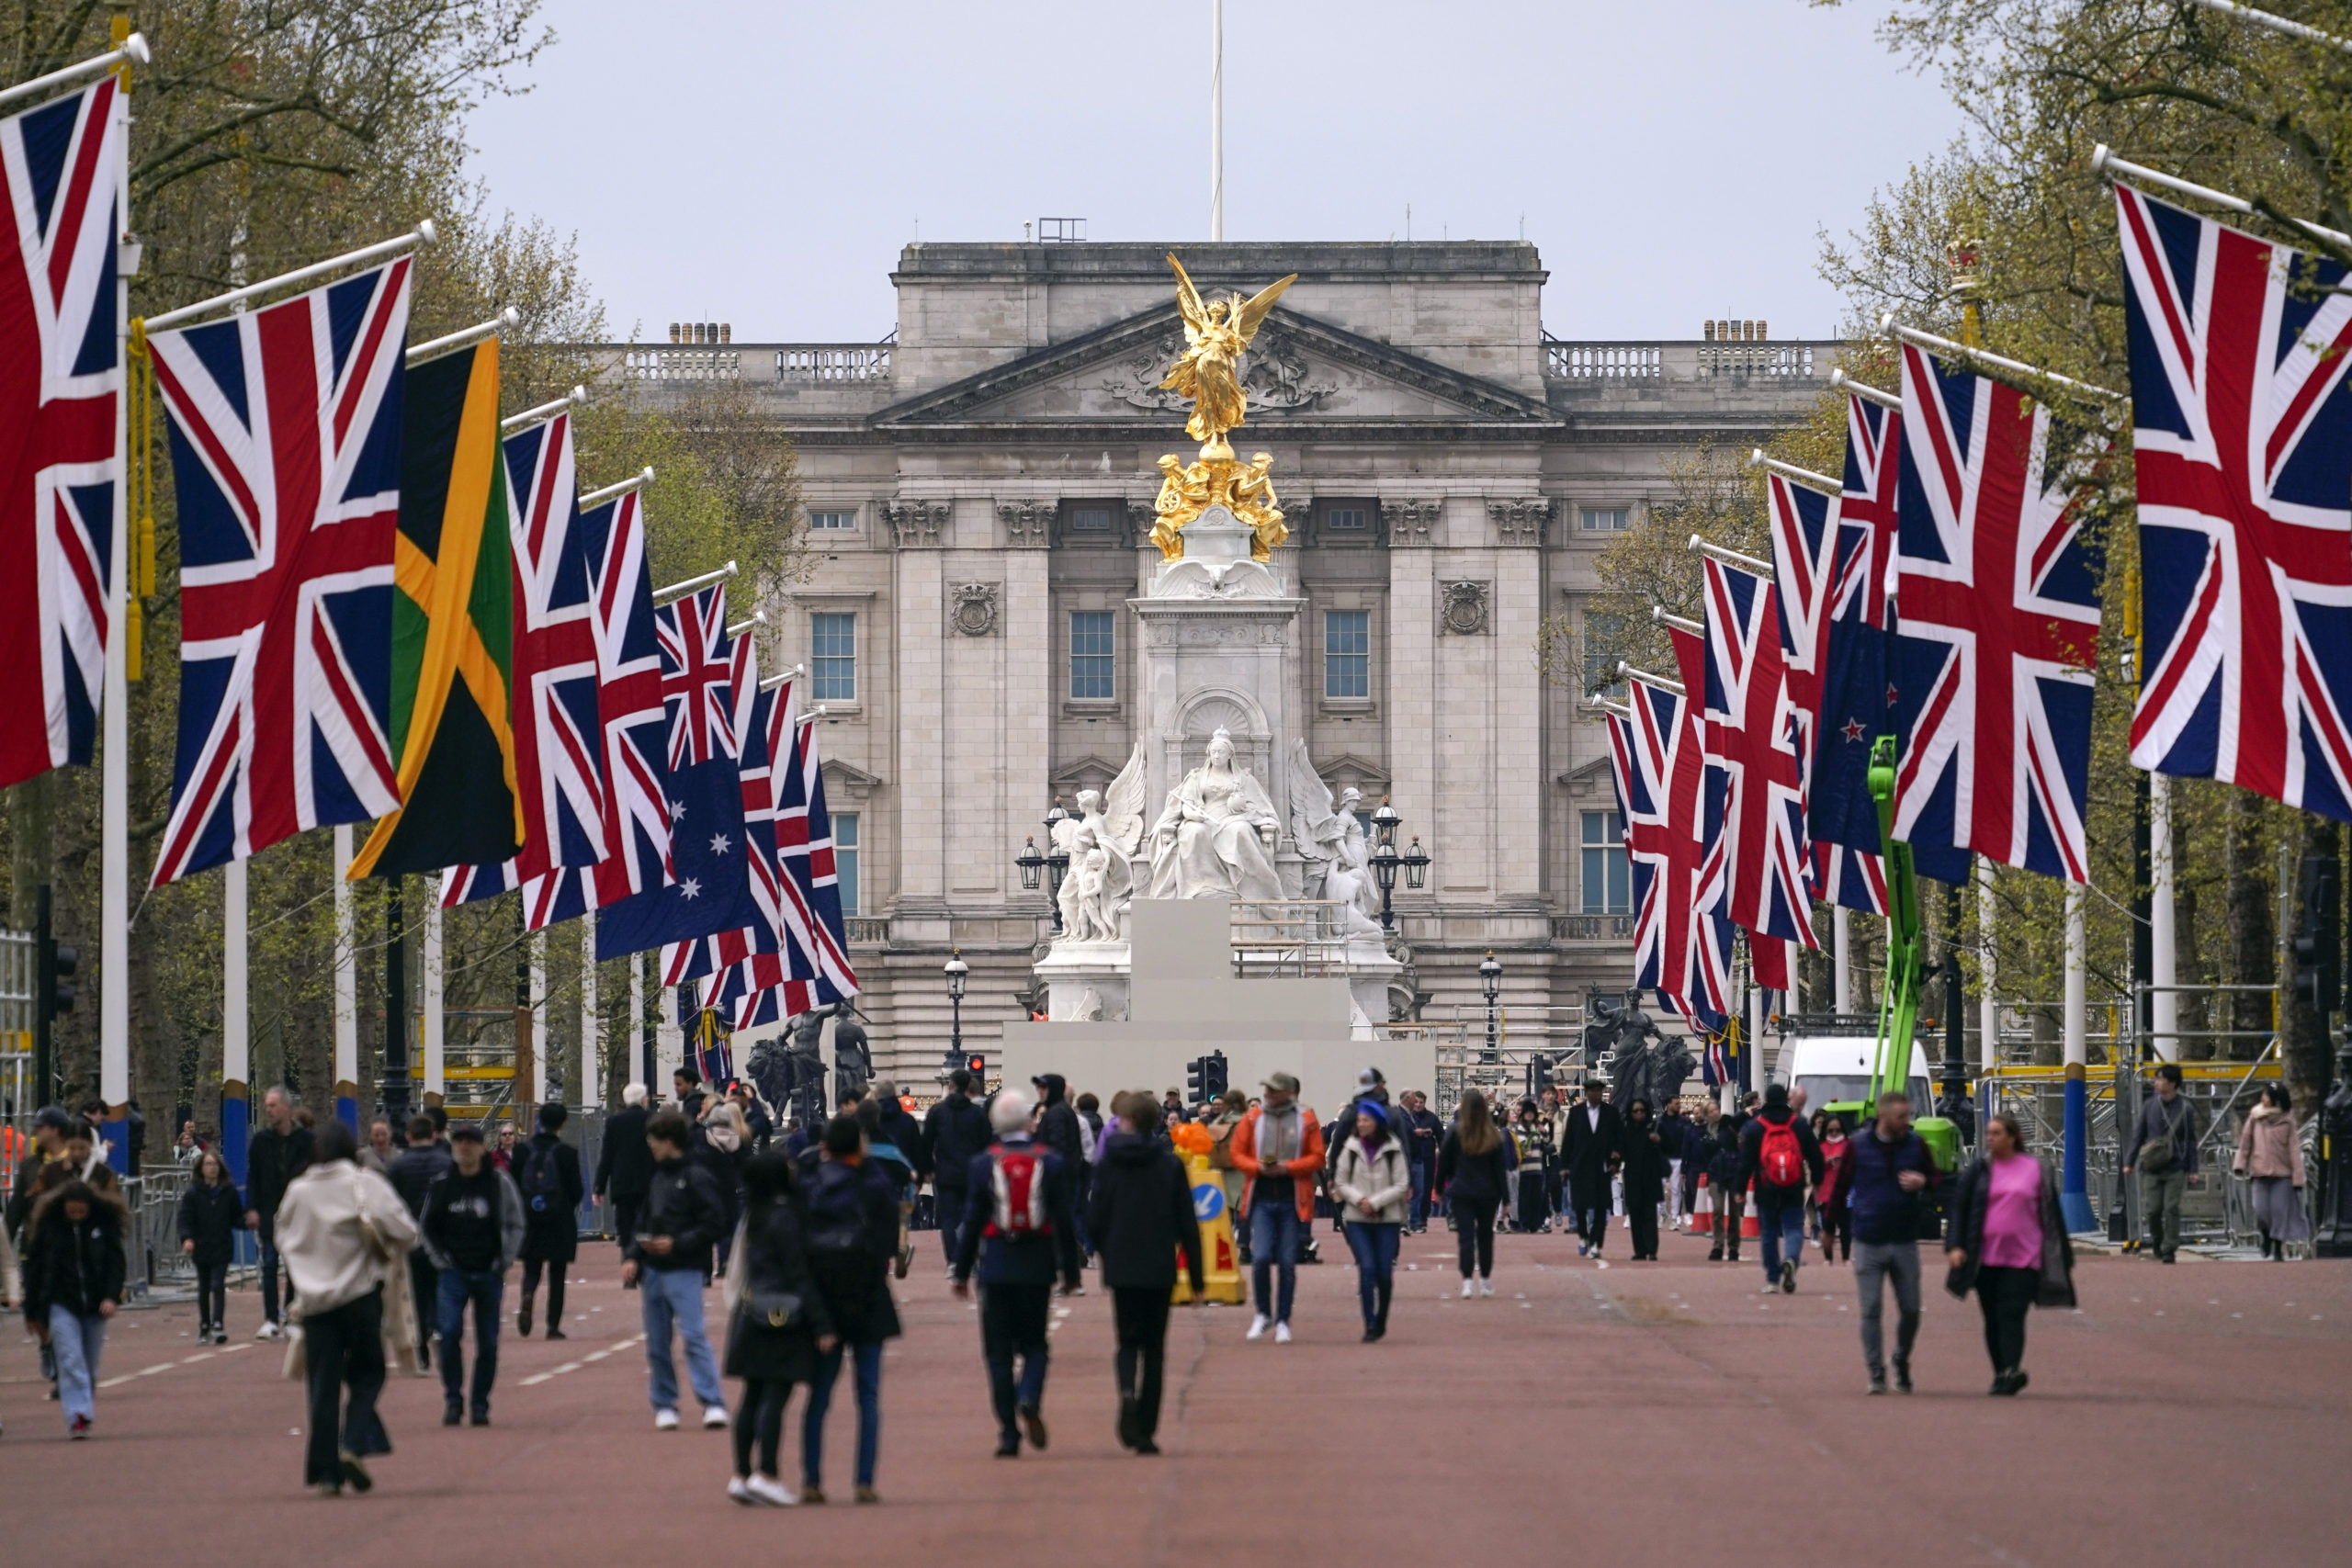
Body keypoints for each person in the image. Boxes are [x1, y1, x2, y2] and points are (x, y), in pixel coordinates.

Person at [275, 1120, 420, 1495]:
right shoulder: (365, 1183)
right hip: (359, 1295)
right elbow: (407, 1232)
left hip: (315, 1301)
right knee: (369, 1373)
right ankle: (353, 1442)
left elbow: (281, 1236)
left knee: (322, 1385)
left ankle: (325, 1472)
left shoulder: (299, 1190)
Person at [951, 1087, 1079, 1456]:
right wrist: (1070, 1271)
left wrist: (960, 1271)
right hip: (1037, 1265)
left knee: (998, 1354)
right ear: (1028, 1120)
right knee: (1036, 1345)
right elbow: (1063, 1221)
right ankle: (1030, 1396)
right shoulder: (1049, 1161)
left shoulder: (982, 1164)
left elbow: (972, 1220)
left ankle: (1008, 1432)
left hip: (995, 1266)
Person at [1087, 1095, 1204, 1450]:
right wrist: (1197, 1279)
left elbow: (1095, 1218)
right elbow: (1187, 1224)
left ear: (1128, 1120)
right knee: (1155, 1349)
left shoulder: (1108, 1164)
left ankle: (1125, 1390)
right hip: (1158, 1265)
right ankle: (1146, 1430)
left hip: (1122, 1264)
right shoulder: (1169, 1165)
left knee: (1127, 1341)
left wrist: (1104, 1251)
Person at [721, 1147, 836, 1507]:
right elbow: (798, 1272)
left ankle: (741, 1473)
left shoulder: (753, 1214)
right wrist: (821, 1322)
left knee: (751, 1396)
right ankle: (767, 1473)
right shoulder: (785, 1217)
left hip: (752, 1308)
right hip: (784, 1314)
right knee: (775, 1396)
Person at [799, 1113, 902, 1503]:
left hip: (824, 1301)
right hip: (868, 1299)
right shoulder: (873, 1185)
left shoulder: (810, 1186)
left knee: (819, 1395)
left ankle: (811, 1478)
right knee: (869, 1395)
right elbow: (887, 1246)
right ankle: (863, 1480)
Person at [1943, 1111, 2075, 1396]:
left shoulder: (2035, 1169)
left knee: (2012, 1312)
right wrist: (1955, 1246)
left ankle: (2013, 1368)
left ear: (2014, 1137)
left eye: (1997, 1133)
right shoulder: (1978, 1170)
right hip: (1985, 1256)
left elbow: (2050, 1214)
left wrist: (2062, 1253)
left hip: (2024, 1256)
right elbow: (1959, 1210)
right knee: (1992, 1316)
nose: (1990, 1139)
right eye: (1988, 1134)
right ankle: (2000, 1372)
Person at [627, 1109, 732, 1431]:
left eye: (653, 1140)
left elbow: (715, 1223)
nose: (650, 1146)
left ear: (669, 1141)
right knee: (657, 1342)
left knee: (693, 1335)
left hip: (683, 1267)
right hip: (654, 1270)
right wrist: (633, 1255)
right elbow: (643, 1220)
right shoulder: (657, 1176)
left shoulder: (697, 1177)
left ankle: (712, 1401)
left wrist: (677, 1243)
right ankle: (665, 1403)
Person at [418, 1123, 524, 1426]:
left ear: (481, 1147)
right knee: (449, 1332)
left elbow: (516, 1222)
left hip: (489, 1271)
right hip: (453, 1273)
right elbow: (426, 1227)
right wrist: (440, 1260)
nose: (464, 1148)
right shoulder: (442, 1184)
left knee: (488, 1341)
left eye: (470, 1142)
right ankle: (453, 1398)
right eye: (459, 1142)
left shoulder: (498, 1183)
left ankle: (479, 1402)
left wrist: (504, 1259)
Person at [1848, 1091, 1940, 1394]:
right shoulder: (1858, 1146)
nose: (1907, 1121)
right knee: (1871, 1308)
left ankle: (1901, 1356)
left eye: (1908, 1116)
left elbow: (1937, 1179)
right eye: (1901, 1116)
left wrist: (1923, 1182)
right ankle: (1876, 1371)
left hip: (1903, 1238)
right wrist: (1832, 1230)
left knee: (1911, 1308)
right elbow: (1840, 1186)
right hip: (1868, 1238)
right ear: (1884, 1116)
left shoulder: (1915, 1145)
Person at [21, 1179, 125, 1438]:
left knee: (88, 1365)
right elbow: (34, 1269)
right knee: (70, 1359)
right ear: (63, 1208)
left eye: (81, 1211)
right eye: (72, 1212)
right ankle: (78, 1415)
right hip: (61, 1302)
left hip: (95, 1304)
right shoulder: (50, 1228)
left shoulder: (104, 1226)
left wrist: (111, 1297)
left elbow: (115, 1264)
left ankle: (83, 1403)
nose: (77, 1216)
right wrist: (32, 1311)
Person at [1228, 1071, 1326, 1343]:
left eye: (1273, 1090)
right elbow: (1237, 1153)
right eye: (1267, 1090)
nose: (1268, 1095)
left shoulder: (1306, 1119)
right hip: (1260, 1199)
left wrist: (1288, 1168)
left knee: (1286, 1262)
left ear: (1288, 1093)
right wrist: (1257, 1168)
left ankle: (1283, 1319)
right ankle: (1263, 1313)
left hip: (1292, 1201)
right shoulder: (1252, 1118)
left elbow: (1318, 1157)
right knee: (1259, 1259)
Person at [1331, 1100, 1410, 1340]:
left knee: (1384, 1272)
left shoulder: (1393, 1149)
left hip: (1388, 1218)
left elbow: (1401, 1183)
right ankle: (1370, 1323)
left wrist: (1375, 1203)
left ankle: (1382, 1316)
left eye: (1366, 1120)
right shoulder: (1351, 1148)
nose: (1362, 1124)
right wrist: (1360, 1201)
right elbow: (1341, 1181)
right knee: (1366, 1268)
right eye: (1359, 1120)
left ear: (1378, 1122)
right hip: (1357, 1218)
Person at [1739, 1082, 1824, 1294]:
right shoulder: (1799, 1124)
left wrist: (1739, 1189)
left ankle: (1772, 1278)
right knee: (1794, 1227)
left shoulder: (1756, 1127)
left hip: (1765, 1186)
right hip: (1793, 1185)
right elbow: (1815, 1155)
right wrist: (1818, 1178)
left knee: (1768, 1232)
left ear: (1766, 1099)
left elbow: (1746, 1161)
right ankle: (1791, 1258)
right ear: (1786, 1099)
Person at [244, 1087, 312, 1341]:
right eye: (267, 1105)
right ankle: (271, 1319)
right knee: (270, 1264)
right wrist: (251, 1208)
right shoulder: (261, 1141)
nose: (269, 1110)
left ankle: (293, 1317)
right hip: (269, 1211)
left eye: (273, 1105)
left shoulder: (306, 1141)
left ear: (286, 1107)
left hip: (297, 1213)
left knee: (295, 1267)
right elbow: (253, 1177)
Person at [513, 1102, 585, 1340]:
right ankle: (553, 1325)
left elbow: (513, 1183)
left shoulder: (522, 1151)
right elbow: (576, 1191)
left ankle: (527, 1295)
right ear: (562, 1123)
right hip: (559, 1219)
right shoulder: (567, 1153)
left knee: (531, 1268)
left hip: (530, 1218)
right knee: (557, 1273)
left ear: (539, 1122)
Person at [387, 1115, 453, 1368]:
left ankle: (422, 1349)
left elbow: (392, 1204)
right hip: (441, 1241)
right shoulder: (447, 1163)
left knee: (415, 1295)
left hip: (411, 1239)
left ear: (408, 1137)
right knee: (441, 1290)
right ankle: (438, 1327)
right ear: (434, 1135)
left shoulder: (399, 1167)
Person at [2121, 1063, 2199, 1263]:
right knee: (2152, 1210)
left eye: (2161, 1079)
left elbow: (2191, 1140)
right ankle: (2157, 1239)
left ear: (2173, 1083)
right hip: (2151, 1166)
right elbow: (2139, 1135)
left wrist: (2192, 1168)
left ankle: (2169, 1248)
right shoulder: (2149, 1106)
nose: (2156, 1082)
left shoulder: (2185, 1108)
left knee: (2171, 1207)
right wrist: (2129, 1161)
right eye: (2156, 1079)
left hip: (2176, 1166)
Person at [1438, 1089, 1510, 1295]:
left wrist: (1438, 1188)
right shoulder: (1493, 1134)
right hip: (1488, 1192)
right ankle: (1485, 1279)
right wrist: (1506, 1199)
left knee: (1466, 1236)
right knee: (1486, 1236)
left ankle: (1468, 1279)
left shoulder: (1454, 1131)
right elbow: (1499, 1169)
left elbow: (1443, 1162)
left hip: (1462, 1191)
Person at [922, 1068, 991, 1268]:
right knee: (972, 1216)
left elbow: (927, 1143)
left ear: (950, 1086)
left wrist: (927, 1168)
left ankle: (954, 1260)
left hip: (946, 1173)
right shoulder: (977, 1114)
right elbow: (987, 1145)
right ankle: (971, 1255)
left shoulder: (937, 1112)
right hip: (972, 1174)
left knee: (949, 1219)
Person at [176, 1146, 245, 1344]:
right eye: (208, 1164)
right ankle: (204, 1324)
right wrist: (187, 1238)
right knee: (204, 1286)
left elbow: (236, 1217)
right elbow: (185, 1218)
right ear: (201, 1168)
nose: (212, 1168)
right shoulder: (193, 1194)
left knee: (218, 1284)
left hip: (222, 1245)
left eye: (214, 1164)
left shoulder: (228, 1192)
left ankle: (218, 1324)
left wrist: (248, 1220)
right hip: (201, 1245)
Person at [2233, 1084, 2309, 1260]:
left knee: (2279, 1212)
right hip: (2259, 1172)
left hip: (2282, 1174)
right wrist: (2239, 1164)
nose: (2263, 1098)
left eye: (2267, 1096)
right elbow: (2245, 1143)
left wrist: (2298, 1179)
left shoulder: (2288, 1121)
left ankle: (2277, 1246)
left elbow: (2294, 1150)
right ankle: (2266, 1235)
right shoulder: (2255, 1117)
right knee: (2261, 1210)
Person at [1032, 1073, 1090, 1279]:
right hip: (1066, 1176)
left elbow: (1056, 1147)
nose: (1039, 1091)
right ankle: (1072, 1263)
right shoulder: (1062, 1111)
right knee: (1062, 1223)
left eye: (1043, 1088)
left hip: (1059, 1178)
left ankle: (1068, 1265)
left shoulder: (1055, 1113)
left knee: (1058, 1223)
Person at [1559, 1077, 1624, 1257]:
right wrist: (1564, 1166)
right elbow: (1568, 1141)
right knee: (1580, 1206)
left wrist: (1616, 1162)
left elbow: (1619, 1141)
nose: (1596, 1094)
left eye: (1599, 1091)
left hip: (1602, 1167)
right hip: (1579, 1167)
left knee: (1601, 1206)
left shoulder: (1611, 1113)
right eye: (1592, 1091)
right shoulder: (1576, 1112)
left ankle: (1596, 1243)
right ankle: (1583, 1236)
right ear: (1586, 1092)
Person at [858, 1093, 918, 1281]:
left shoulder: (855, 1140)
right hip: (887, 1196)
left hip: (857, 1199)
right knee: (894, 1226)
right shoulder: (886, 1140)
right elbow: (902, 1168)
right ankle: (898, 1249)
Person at [595, 1084, 655, 1265]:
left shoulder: (614, 1122)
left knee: (626, 1226)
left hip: (623, 1182)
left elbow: (607, 1155)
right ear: (644, 1099)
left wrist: (599, 1186)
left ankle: (629, 1262)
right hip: (649, 1181)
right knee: (647, 1225)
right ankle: (645, 1265)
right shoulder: (652, 1119)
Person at [1620, 1099, 1668, 1260]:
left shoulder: (1653, 1129)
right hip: (1633, 1177)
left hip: (1650, 1178)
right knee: (1635, 1215)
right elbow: (1620, 1151)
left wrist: (1659, 1141)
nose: (1639, 1113)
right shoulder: (1626, 1131)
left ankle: (1652, 1249)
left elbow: (1670, 1146)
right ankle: (1639, 1249)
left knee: (1649, 1215)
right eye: (1636, 1111)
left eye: (1642, 1110)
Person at [1704, 1114, 1747, 1262]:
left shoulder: (1733, 1127)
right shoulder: (1708, 1131)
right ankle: (1718, 1245)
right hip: (1716, 1173)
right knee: (1718, 1210)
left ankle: (1733, 1247)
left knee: (1734, 1212)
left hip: (1733, 1172)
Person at [1510, 1099, 1555, 1235]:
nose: (1529, 1115)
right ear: (1523, 1114)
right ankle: (1523, 1223)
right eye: (1527, 1112)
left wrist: (1545, 1130)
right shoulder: (1518, 1129)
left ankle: (1535, 1224)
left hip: (1537, 1169)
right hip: (1523, 1170)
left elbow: (1547, 1141)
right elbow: (1515, 1146)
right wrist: (1523, 1152)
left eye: (1531, 1113)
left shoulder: (1537, 1128)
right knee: (1524, 1198)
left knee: (1537, 1198)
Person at [1400, 1089, 1442, 1233]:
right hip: (1411, 1158)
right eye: (1416, 1101)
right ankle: (1408, 1220)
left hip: (1427, 1158)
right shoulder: (1406, 1117)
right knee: (1410, 1190)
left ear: (1425, 1103)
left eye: (1421, 1102)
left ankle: (1421, 1220)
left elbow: (1442, 1138)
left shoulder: (1432, 1118)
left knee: (1425, 1190)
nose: (1418, 1105)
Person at [1816, 1114, 1854, 1265]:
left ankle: (1845, 1257)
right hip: (1825, 1193)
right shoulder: (1820, 1147)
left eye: (1837, 1130)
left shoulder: (1849, 1145)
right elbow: (1815, 1168)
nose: (1834, 1133)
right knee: (1828, 1228)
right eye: (1830, 1130)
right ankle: (1828, 1258)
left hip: (1846, 1193)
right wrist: (1826, 1162)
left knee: (1846, 1227)